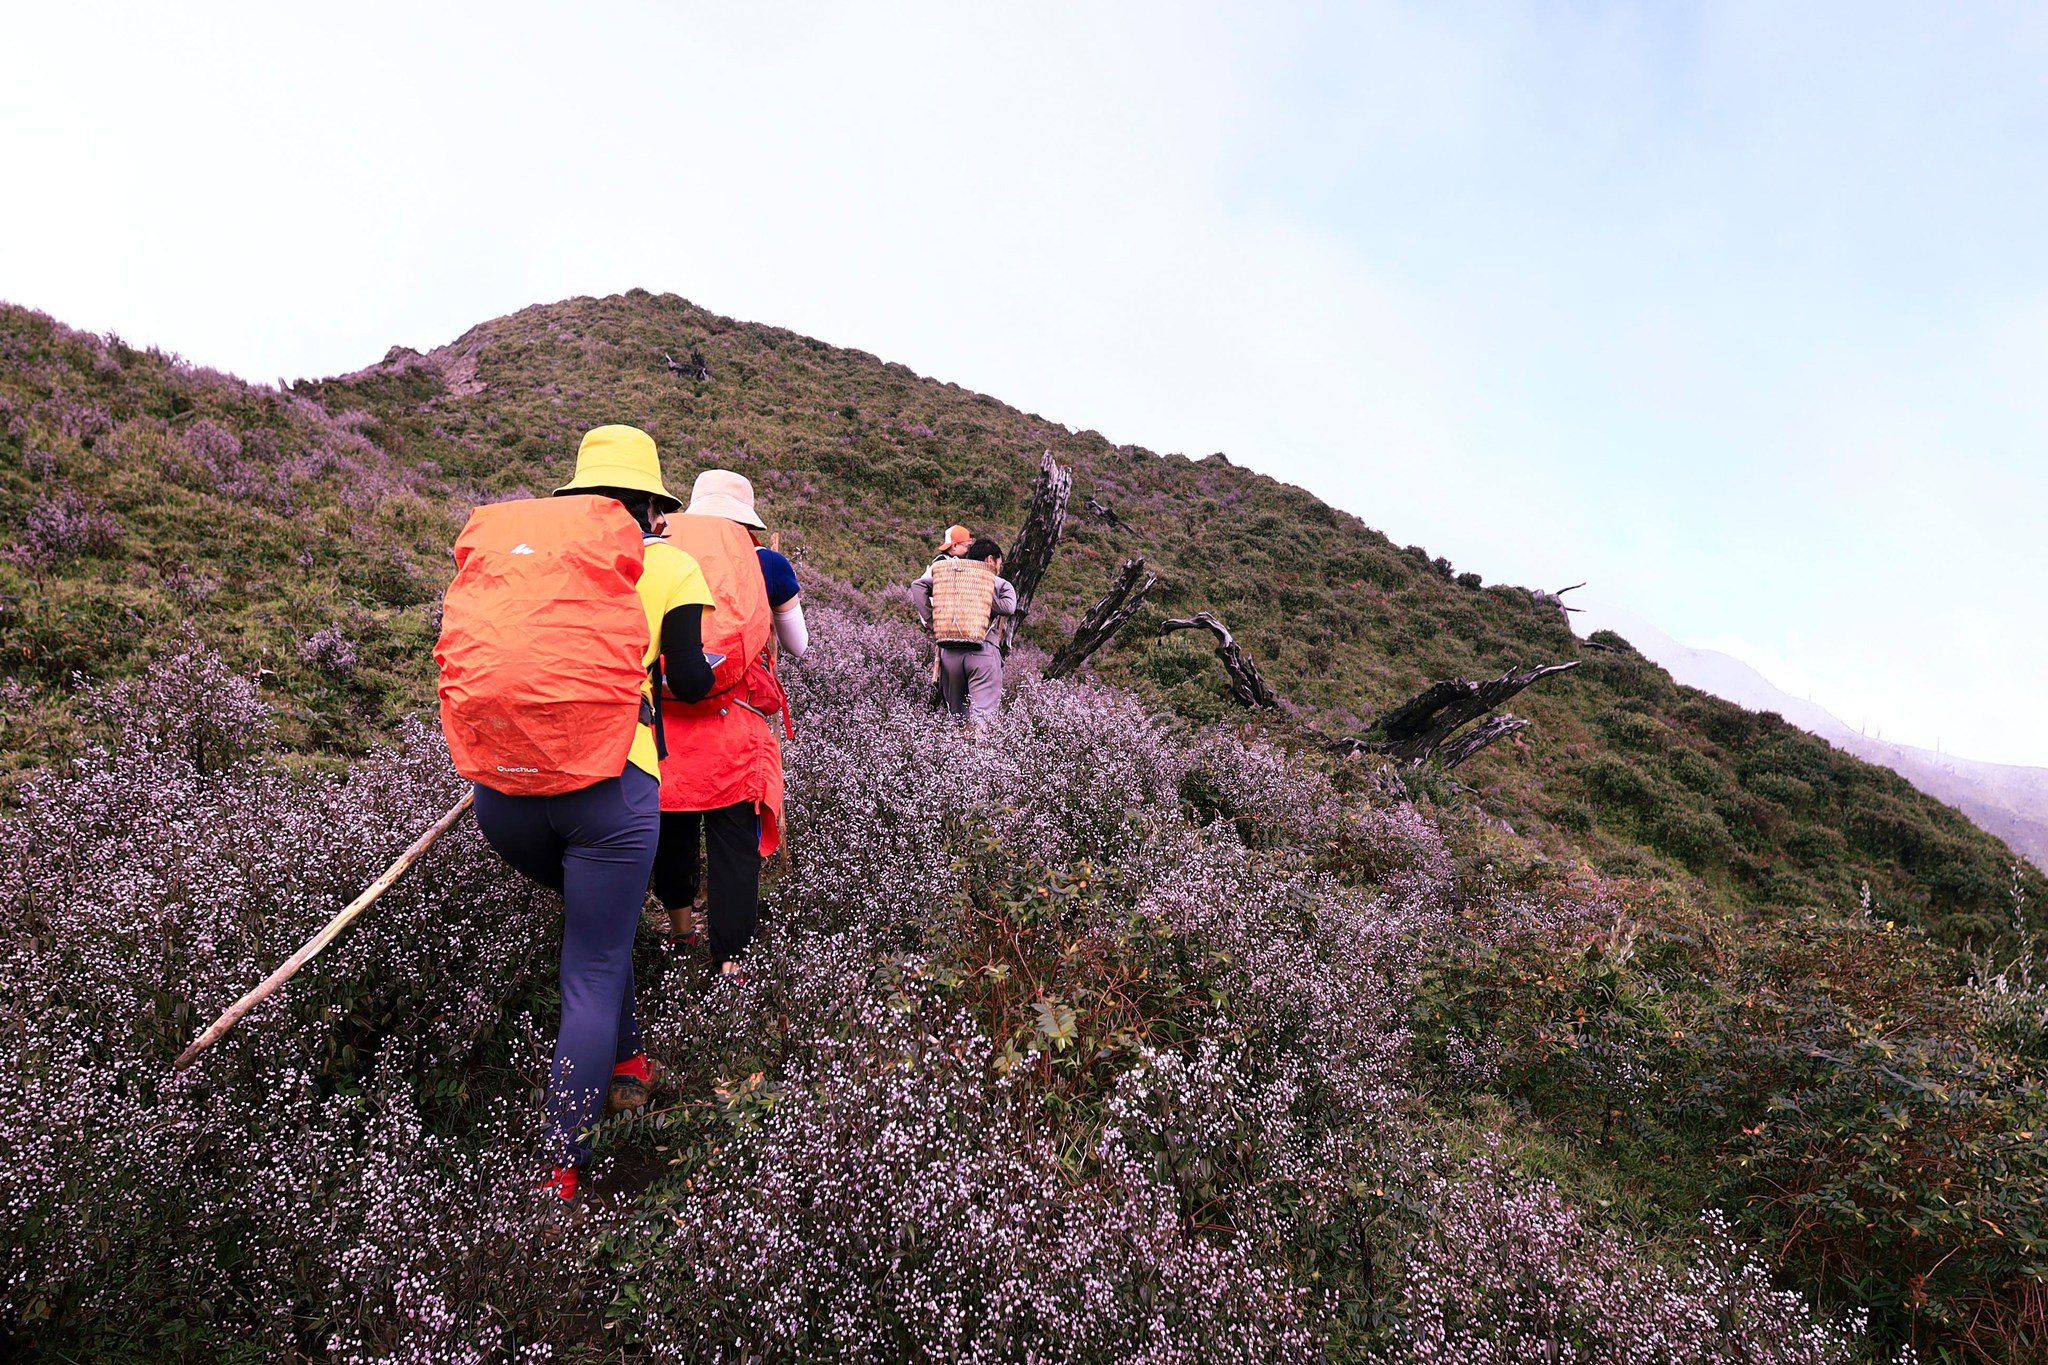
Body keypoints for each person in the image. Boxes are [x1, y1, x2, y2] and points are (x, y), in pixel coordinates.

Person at [445, 425, 716, 1204]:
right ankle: (564, 1170)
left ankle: (629, 1066)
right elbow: (689, 678)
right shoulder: (667, 562)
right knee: (592, 968)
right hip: (609, 793)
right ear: (652, 504)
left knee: (600, 928)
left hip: (504, 797)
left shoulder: (533, 560)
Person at [651, 470, 796, 977]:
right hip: (732, 724)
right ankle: (731, 962)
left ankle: (681, 928)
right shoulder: (768, 563)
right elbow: (798, 646)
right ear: (746, 517)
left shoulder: (656, 549)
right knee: (733, 844)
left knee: (672, 823)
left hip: (664, 723)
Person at [911, 535, 1015, 723]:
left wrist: (932, 620)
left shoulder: (950, 576)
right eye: (1000, 562)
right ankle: (980, 751)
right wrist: (982, 593)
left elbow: (917, 585)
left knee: (958, 718)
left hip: (949, 654)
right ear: (991, 560)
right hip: (982, 652)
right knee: (984, 717)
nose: (1000, 567)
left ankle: (958, 751)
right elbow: (1009, 607)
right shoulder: (999, 584)